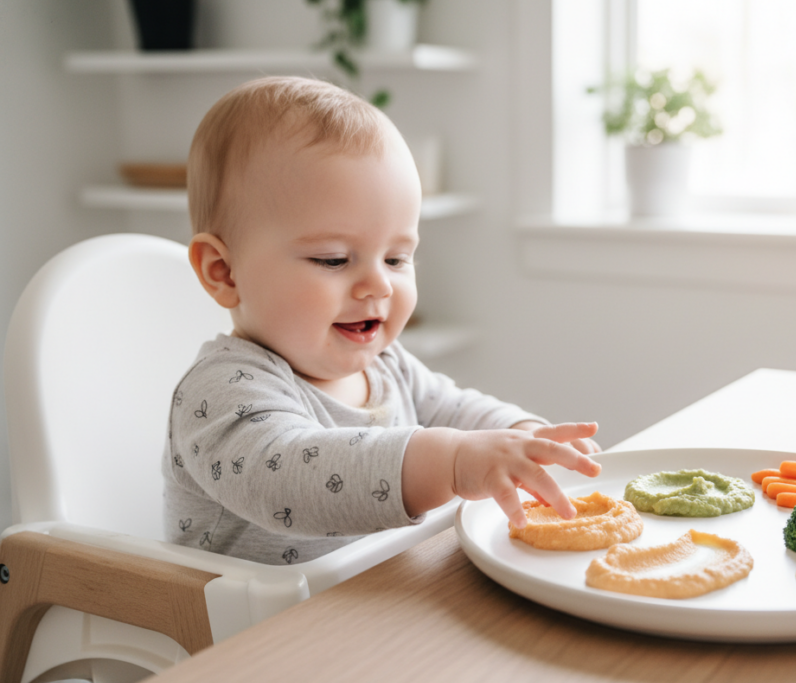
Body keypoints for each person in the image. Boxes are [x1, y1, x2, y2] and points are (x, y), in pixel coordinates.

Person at [163, 76, 601, 565]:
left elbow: (455, 410)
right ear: (223, 271)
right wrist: (451, 462)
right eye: (332, 260)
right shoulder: (221, 391)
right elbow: (287, 482)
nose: (379, 286)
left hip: (379, 606)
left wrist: (521, 437)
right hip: (260, 632)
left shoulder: (386, 364)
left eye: (396, 259)